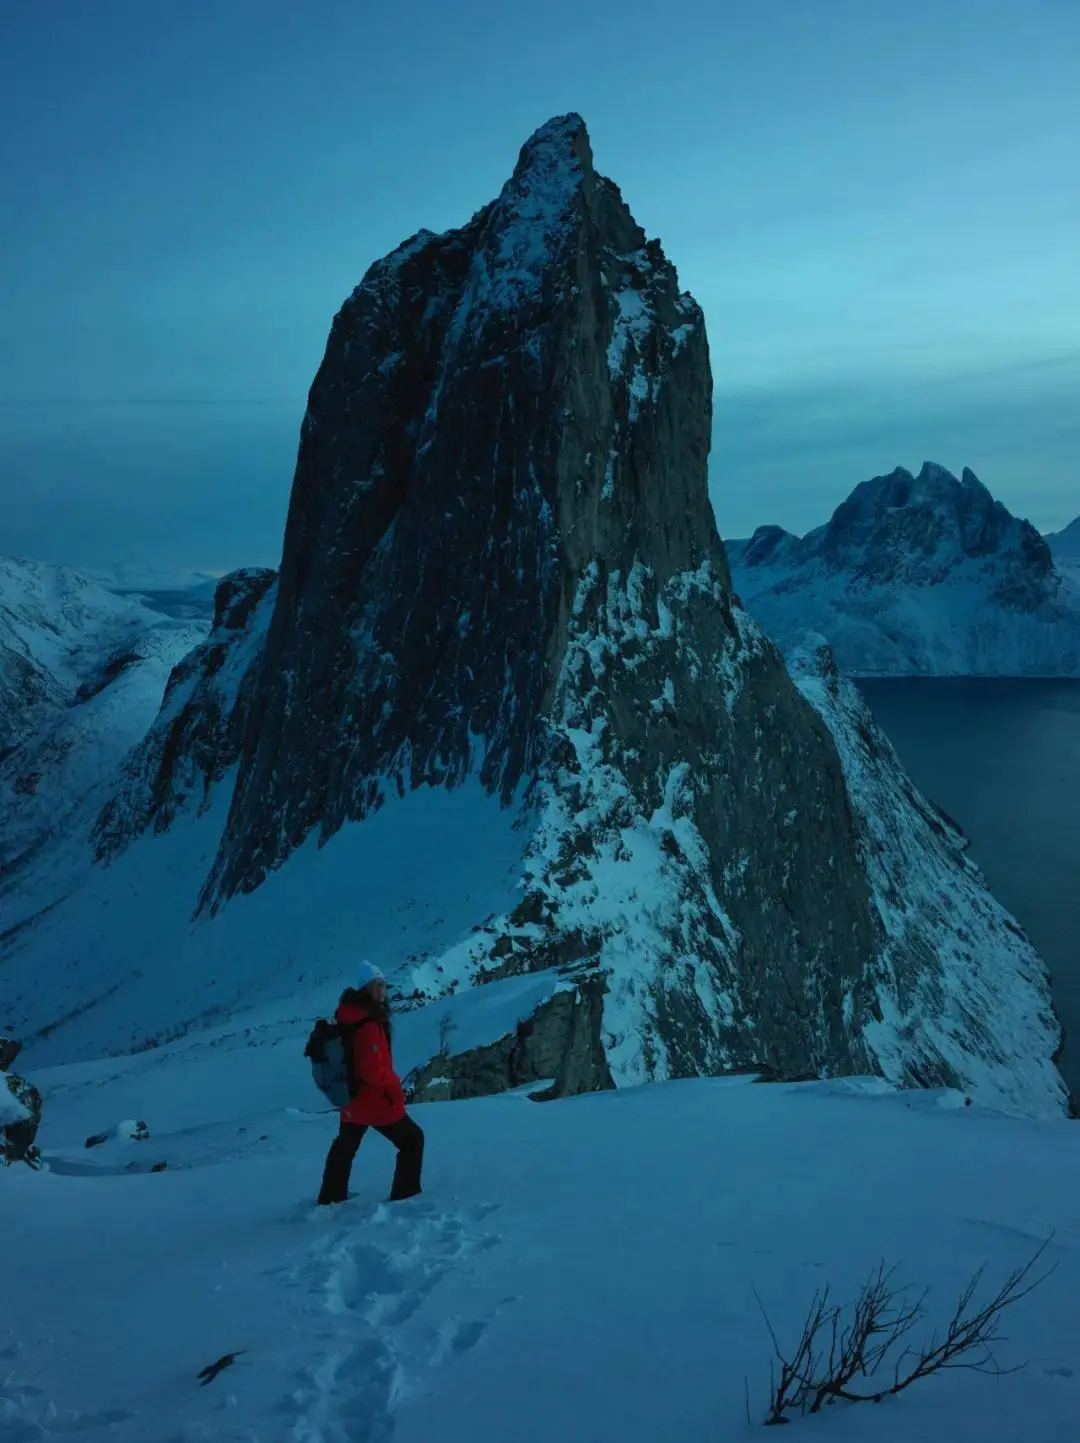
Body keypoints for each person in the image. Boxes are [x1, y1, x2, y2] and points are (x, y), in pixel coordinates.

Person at [317, 960, 425, 1206]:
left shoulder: (349, 1016)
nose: (384, 989)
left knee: (345, 1146)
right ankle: (405, 1195)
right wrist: (393, 1083)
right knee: (412, 1140)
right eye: (380, 984)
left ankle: (331, 1197)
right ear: (368, 987)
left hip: (350, 1098)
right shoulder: (369, 1022)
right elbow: (373, 1072)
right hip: (373, 1099)